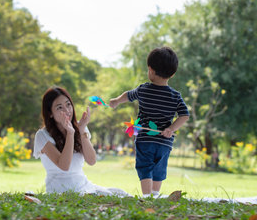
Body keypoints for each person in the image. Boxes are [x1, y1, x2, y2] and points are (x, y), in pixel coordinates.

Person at [109, 47, 190, 197]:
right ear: (172, 74)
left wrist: (116, 101)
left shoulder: (143, 90)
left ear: (150, 70)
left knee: (145, 166)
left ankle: (147, 196)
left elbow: (128, 95)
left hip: (145, 138)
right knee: (159, 168)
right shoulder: (175, 96)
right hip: (164, 141)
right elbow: (184, 115)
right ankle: (155, 194)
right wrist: (171, 129)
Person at [33, 86, 129, 196]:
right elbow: (64, 166)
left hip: (85, 187)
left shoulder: (80, 127)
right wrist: (70, 133)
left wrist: (82, 129)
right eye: (59, 108)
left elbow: (92, 161)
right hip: (59, 192)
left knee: (121, 194)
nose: (67, 111)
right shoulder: (42, 135)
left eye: (68, 105)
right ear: (50, 113)